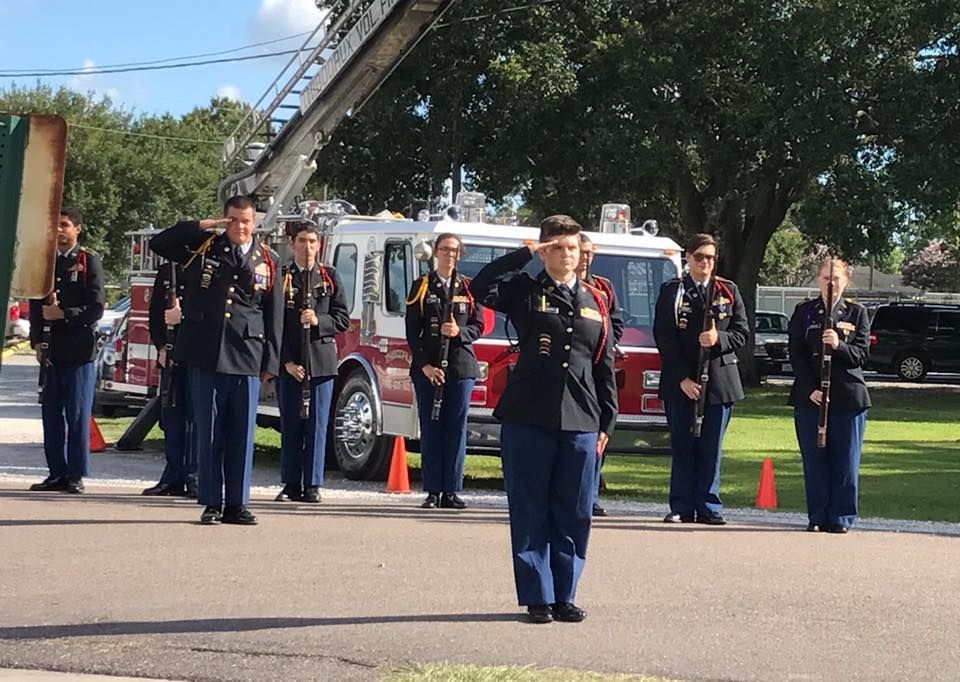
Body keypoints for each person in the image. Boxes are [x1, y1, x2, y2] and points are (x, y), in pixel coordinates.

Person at [470, 215, 617, 624]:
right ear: (545, 250)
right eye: (556, 247)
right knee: (530, 507)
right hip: (529, 415)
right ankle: (538, 595)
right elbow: (480, 286)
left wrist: (607, 421)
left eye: (571, 247)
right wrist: (524, 254)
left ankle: (565, 594)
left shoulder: (597, 299)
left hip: (582, 418)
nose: (566, 255)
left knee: (574, 510)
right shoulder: (524, 291)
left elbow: (602, 362)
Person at [149, 196, 283, 526]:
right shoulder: (205, 248)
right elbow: (160, 243)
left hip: (247, 355)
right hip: (206, 352)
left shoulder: (266, 258)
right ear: (225, 221)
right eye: (234, 220)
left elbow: (274, 313)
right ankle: (211, 502)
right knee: (209, 432)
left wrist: (273, 361)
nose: (240, 227)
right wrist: (201, 225)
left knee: (241, 434)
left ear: (255, 223)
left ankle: (237, 503)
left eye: (247, 221)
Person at [653, 233, 748, 525]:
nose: (705, 262)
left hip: (719, 382)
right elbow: (664, 336)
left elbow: (742, 333)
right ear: (688, 258)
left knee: (710, 447)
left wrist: (719, 338)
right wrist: (682, 377)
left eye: (710, 257)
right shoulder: (673, 291)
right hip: (681, 382)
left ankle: (708, 505)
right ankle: (681, 505)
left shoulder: (727, 291)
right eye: (699, 257)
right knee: (683, 446)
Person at [788, 259, 871, 533]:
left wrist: (838, 344)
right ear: (818, 280)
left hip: (847, 398)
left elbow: (861, 355)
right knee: (814, 459)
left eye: (836, 278)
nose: (831, 283)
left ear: (846, 280)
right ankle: (818, 515)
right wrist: (810, 388)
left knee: (846, 460)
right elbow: (796, 354)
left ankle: (841, 517)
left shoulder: (856, 313)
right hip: (811, 397)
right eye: (825, 278)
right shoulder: (805, 312)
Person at [28, 207, 105, 495]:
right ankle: (56, 472)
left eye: (65, 225)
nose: (60, 231)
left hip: (78, 351)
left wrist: (65, 314)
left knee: (76, 414)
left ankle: (75, 474)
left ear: (77, 229)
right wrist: (36, 340)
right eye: (56, 226)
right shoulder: (46, 262)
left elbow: (96, 308)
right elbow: (37, 304)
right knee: (51, 414)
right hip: (52, 351)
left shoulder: (88, 261)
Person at [405, 232, 484, 510]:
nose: (449, 254)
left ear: (459, 255)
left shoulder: (468, 287)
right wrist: (425, 366)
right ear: (435, 252)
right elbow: (412, 331)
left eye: (454, 250)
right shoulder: (422, 286)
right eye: (444, 249)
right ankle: (432, 490)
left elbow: (478, 326)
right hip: (428, 367)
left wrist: (458, 331)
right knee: (431, 428)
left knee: (455, 429)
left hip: (460, 367)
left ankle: (451, 490)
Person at [275, 222, 350, 503]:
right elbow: (274, 324)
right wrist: (286, 363)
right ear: (292, 244)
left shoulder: (328, 277)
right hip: (291, 364)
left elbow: (342, 317)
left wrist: (320, 321)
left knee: (317, 426)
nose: (307, 247)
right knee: (292, 425)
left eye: (312, 241)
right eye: (302, 241)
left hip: (320, 364)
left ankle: (313, 484)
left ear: (319, 245)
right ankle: (291, 483)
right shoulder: (283, 277)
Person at [577, 232, 624, 517]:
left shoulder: (603, 288)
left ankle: (591, 496)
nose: (586, 257)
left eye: (590, 253)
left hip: (597, 370)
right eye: (582, 252)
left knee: (598, 435)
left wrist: (606, 345)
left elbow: (615, 323)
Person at [142, 260, 197, 497]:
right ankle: (172, 476)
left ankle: (194, 476)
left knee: (196, 419)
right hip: (171, 356)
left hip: (196, 356)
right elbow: (155, 313)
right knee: (172, 417)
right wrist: (161, 347)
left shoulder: (207, 266)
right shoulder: (168, 271)